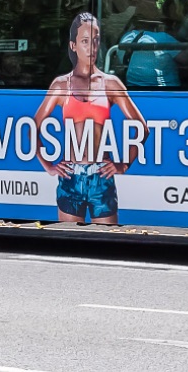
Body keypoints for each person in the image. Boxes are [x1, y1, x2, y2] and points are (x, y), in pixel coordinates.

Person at [35, 13, 146, 225]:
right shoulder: (61, 85)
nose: (92, 47)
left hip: (101, 177)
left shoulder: (111, 84)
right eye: (85, 41)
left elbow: (142, 127)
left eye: (96, 41)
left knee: (108, 244)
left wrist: (123, 165)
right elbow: (33, 127)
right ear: (73, 45)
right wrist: (48, 165)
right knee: (68, 243)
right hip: (70, 177)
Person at [117, 0, 183, 88]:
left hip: (132, 92)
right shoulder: (162, 38)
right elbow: (187, 60)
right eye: (156, 9)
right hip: (167, 94)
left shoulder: (126, 37)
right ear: (155, 18)